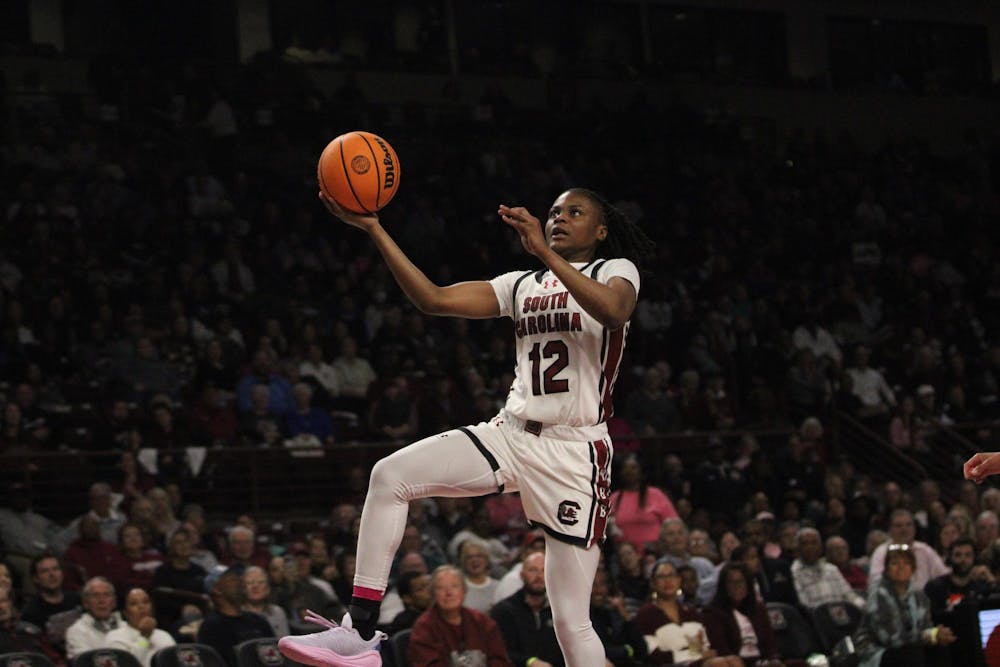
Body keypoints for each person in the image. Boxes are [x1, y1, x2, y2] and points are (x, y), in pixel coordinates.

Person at [279, 187, 653, 667]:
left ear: (600, 231)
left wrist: (542, 252)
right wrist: (374, 229)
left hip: (574, 451)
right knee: (389, 476)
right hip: (512, 432)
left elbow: (614, 311)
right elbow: (433, 299)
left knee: (570, 621)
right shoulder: (521, 285)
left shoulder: (615, 271)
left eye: (574, 212)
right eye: (555, 211)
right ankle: (361, 631)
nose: (559, 218)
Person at [853, 544, 956, 667]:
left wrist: (936, 635)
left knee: (940, 649)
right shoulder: (878, 594)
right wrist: (930, 635)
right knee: (909, 655)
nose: (901, 568)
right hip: (876, 651)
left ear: (913, 568)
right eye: (895, 563)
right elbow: (892, 639)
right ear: (886, 569)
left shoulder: (919, 595)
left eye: (906, 563)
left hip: (911, 646)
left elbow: (926, 627)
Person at [634, 560, 740, 666]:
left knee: (734, 660)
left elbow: (705, 646)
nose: (668, 581)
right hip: (671, 664)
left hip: (698, 662)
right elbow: (652, 654)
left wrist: (700, 655)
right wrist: (690, 656)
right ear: (653, 583)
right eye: (661, 577)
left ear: (679, 581)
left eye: (672, 575)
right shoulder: (646, 614)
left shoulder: (691, 613)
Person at [408, 565, 512, 667]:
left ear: (464, 591)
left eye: (454, 586)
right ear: (433, 594)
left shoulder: (483, 622)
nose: (449, 593)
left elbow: (499, 660)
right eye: (441, 588)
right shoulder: (424, 628)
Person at [490, 553, 562, 667]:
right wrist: (529, 661)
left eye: (544, 570)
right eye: (533, 570)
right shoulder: (503, 611)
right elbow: (500, 651)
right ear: (522, 575)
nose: (539, 576)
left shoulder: (558, 610)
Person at [702, 563, 781, 667]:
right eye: (731, 582)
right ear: (723, 586)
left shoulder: (759, 609)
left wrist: (773, 660)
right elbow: (721, 649)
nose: (737, 586)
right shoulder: (713, 613)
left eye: (741, 582)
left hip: (761, 661)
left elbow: (770, 643)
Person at [198, 569, 275, 667]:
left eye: (240, 580)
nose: (240, 583)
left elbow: (276, 657)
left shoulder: (259, 621)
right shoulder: (211, 627)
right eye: (232, 580)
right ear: (217, 590)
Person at [790, 527, 864, 611]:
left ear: (821, 547)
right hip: (816, 619)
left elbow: (850, 596)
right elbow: (804, 605)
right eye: (805, 544)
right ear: (798, 549)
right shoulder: (793, 572)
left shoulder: (832, 569)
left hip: (841, 616)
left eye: (814, 543)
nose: (810, 547)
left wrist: (863, 606)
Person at [105, 587, 177, 667]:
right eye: (134, 603)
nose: (141, 607)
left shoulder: (164, 635)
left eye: (146, 602)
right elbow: (128, 664)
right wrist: (144, 639)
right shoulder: (115, 637)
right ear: (125, 612)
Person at [65, 576, 123, 659]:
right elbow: (86, 663)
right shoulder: (76, 631)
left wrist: (144, 639)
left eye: (106, 595)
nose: (101, 601)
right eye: (95, 596)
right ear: (86, 603)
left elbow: (140, 651)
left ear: (114, 602)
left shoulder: (126, 626)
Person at [243, 565, 290, 637]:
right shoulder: (237, 613)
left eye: (260, 582)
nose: (255, 586)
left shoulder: (277, 612)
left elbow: (284, 643)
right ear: (243, 589)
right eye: (249, 583)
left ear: (268, 589)